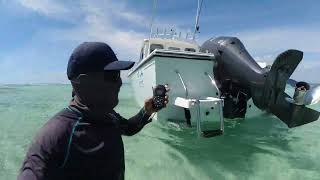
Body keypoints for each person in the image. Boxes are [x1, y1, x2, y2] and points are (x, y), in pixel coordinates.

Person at [17, 42, 169, 180]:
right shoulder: (57, 135)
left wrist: (148, 111)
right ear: (84, 82)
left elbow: (128, 128)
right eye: (113, 75)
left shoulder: (109, 116)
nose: (121, 82)